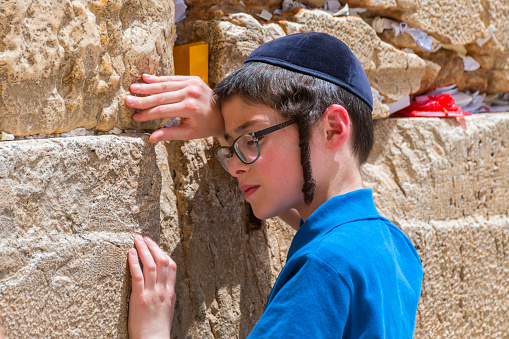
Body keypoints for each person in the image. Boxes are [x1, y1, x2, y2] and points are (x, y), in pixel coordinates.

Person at [126, 32, 423, 338]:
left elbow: (324, 251)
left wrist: (151, 331)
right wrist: (227, 129)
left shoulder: (323, 266)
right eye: (230, 147)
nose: (233, 164)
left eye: (252, 139)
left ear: (332, 130)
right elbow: (318, 226)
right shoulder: (393, 246)